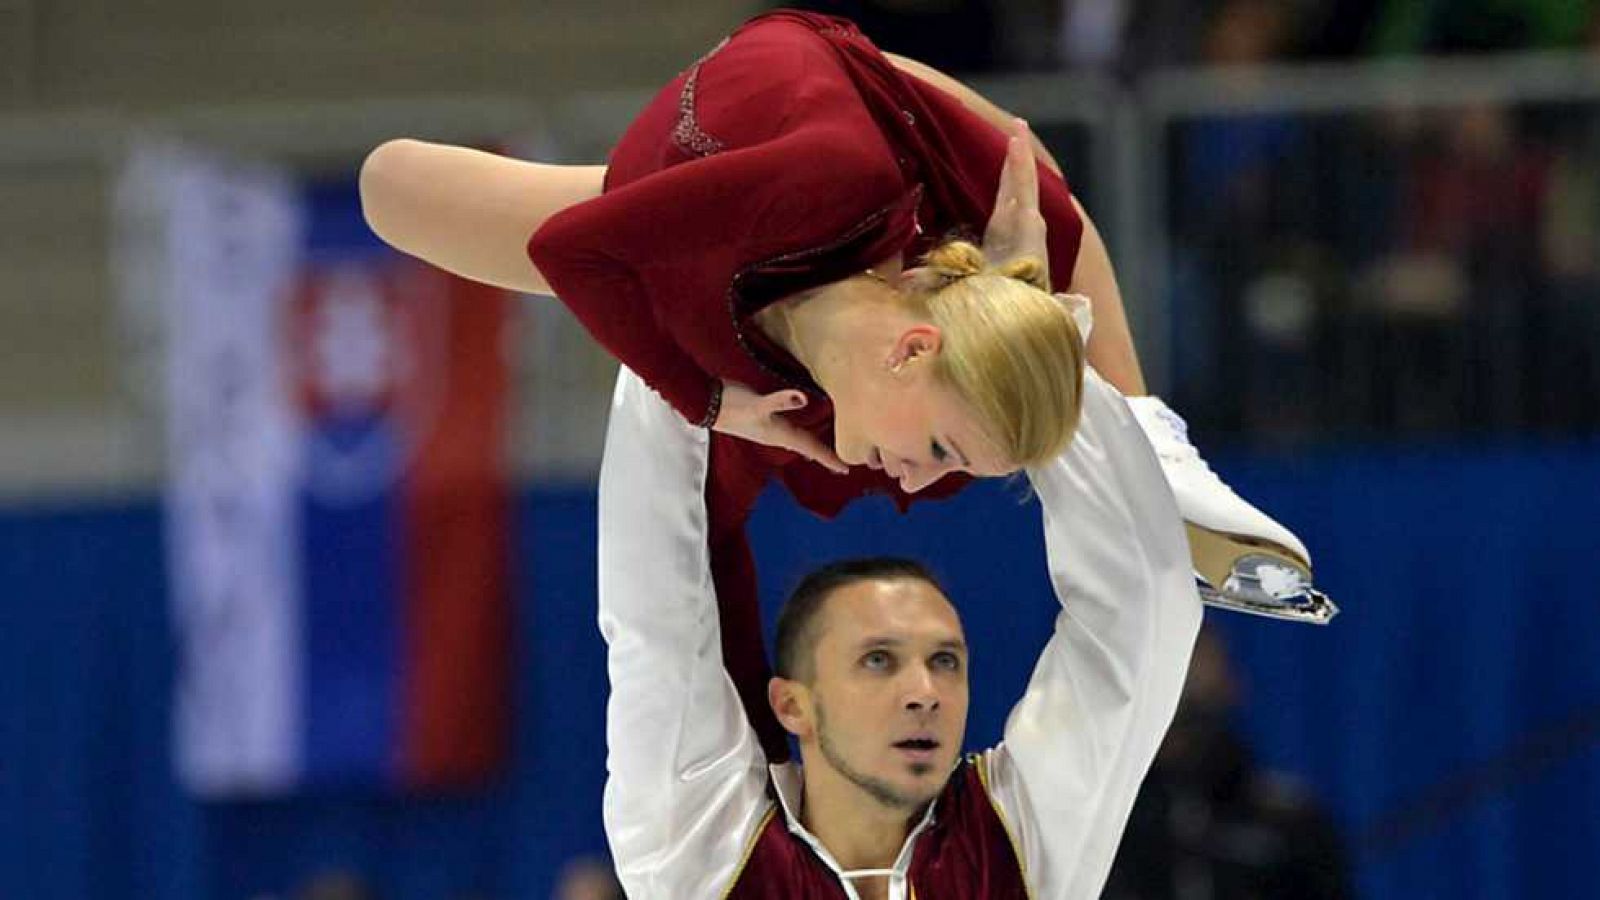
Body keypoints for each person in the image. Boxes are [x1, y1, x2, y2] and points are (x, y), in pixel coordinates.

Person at [361, 9, 1331, 755]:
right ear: (910, 350)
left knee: (1021, 303)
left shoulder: (882, 387)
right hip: (805, 119)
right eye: (939, 447)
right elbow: (569, 250)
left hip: (801, 257)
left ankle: (1141, 436)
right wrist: (699, 397)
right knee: (1033, 211)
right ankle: (1142, 421)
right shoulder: (818, 183)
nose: (915, 484)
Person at [595, 363, 1202, 899]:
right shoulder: (701, 858)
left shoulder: (1019, 843)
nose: (925, 692)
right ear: (792, 705)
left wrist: (1013, 347)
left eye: (945, 662)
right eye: (878, 660)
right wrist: (677, 353)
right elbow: (655, 614)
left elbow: (1139, 616)